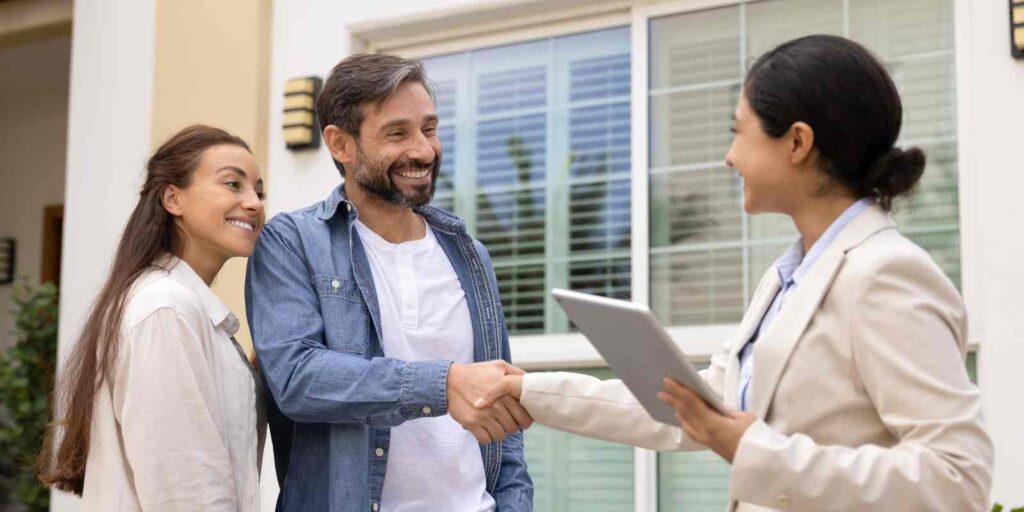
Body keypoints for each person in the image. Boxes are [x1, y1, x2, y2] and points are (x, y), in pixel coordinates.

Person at [478, 35, 993, 511]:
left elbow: (957, 479)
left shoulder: (886, 273)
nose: (729, 157)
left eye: (738, 132)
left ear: (797, 143)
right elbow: (691, 406)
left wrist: (750, 448)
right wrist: (531, 391)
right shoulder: (788, 277)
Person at [245, 53, 533, 512]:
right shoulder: (292, 242)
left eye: (430, 129)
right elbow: (297, 379)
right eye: (397, 133)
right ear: (341, 144)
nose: (423, 150)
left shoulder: (468, 254)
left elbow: (504, 421)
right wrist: (443, 384)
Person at [37, 125, 267, 510]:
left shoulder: (181, 308)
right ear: (173, 199)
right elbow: (186, 493)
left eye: (259, 191)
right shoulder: (165, 308)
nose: (255, 203)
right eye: (233, 184)